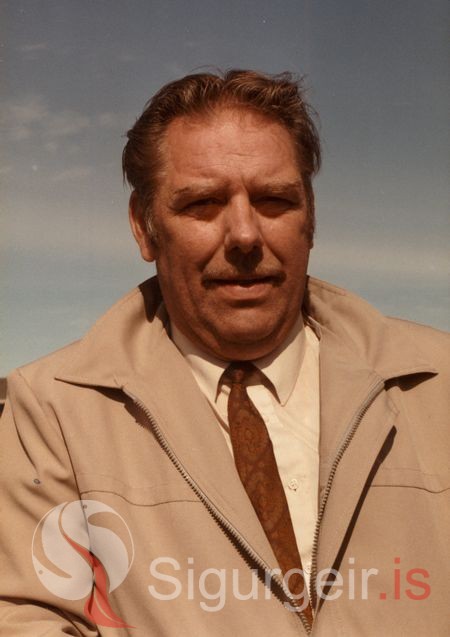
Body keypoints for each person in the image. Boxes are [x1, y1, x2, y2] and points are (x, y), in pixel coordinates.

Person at [0, 70, 448, 637]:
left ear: (311, 218)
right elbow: (26, 618)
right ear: (144, 227)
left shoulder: (437, 385)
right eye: (204, 204)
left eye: (274, 200)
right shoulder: (51, 412)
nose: (244, 235)